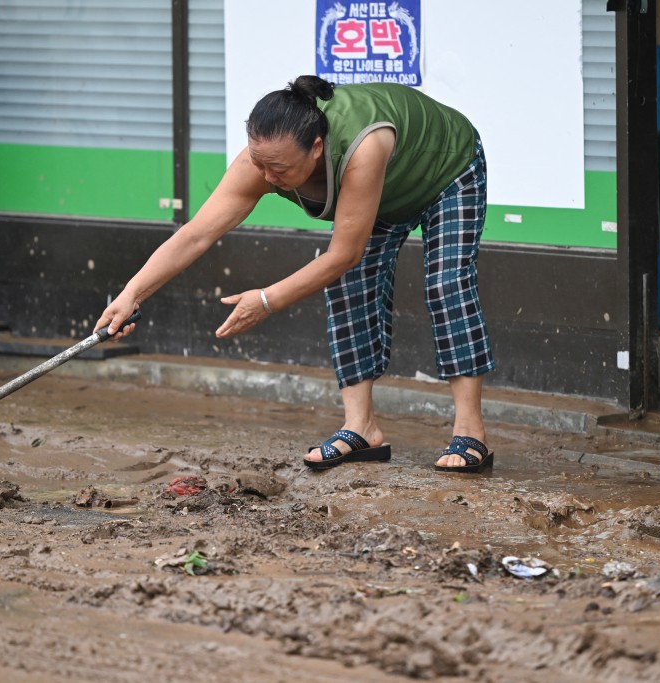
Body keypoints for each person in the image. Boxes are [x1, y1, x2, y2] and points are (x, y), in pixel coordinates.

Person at [95, 75, 495, 474]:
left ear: (316, 148)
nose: (268, 177)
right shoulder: (263, 161)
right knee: (347, 286)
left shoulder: (362, 147)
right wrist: (131, 295)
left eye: (279, 168)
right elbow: (196, 234)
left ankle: (470, 430)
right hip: (385, 192)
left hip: (447, 171)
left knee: (447, 284)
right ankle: (361, 427)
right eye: (259, 163)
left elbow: (344, 253)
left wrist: (267, 300)